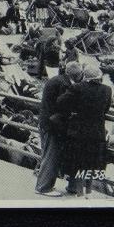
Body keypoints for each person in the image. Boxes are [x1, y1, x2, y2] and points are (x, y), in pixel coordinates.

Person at [57, 64, 113, 197]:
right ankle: (87, 190)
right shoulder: (107, 90)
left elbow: (61, 102)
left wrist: (74, 110)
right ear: (99, 77)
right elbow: (106, 109)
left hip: (78, 131)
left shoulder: (77, 87)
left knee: (76, 160)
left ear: (85, 76)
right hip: (96, 131)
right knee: (90, 162)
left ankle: (73, 187)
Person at [35, 61, 84, 197]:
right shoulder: (65, 85)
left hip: (46, 123)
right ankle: (43, 187)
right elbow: (63, 105)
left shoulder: (56, 80)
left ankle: (43, 185)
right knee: (52, 156)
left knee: (48, 154)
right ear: (78, 74)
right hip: (53, 126)